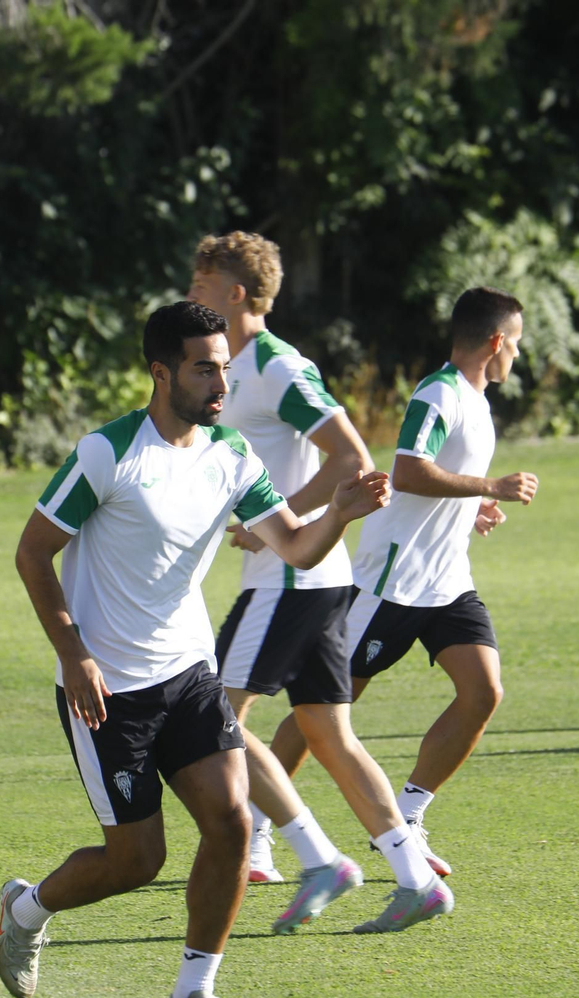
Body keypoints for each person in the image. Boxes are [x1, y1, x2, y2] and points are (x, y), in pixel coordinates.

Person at [0, 301, 390, 998]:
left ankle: (192, 994)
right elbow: (32, 553)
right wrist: (74, 652)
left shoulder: (233, 455)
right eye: (204, 367)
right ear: (161, 372)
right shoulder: (106, 453)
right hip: (108, 689)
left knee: (232, 824)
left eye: (224, 366)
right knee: (135, 862)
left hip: (187, 675)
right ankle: (26, 909)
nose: (221, 381)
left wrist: (339, 511)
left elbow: (296, 548)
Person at [189, 232, 448, 943]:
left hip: (291, 576)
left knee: (217, 718)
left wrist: (286, 520)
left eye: (202, 284)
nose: (191, 293)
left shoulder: (274, 366)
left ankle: (318, 859)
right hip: (315, 577)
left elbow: (352, 455)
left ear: (236, 293)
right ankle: (416, 880)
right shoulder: (232, 367)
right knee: (328, 734)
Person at [269, 285, 537, 933]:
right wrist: (490, 486)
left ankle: (410, 814)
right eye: (518, 343)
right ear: (496, 342)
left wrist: (471, 506)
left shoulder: (475, 400)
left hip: (446, 584)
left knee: (482, 690)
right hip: (389, 587)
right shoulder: (439, 393)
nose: (518, 356)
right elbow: (410, 469)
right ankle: (255, 822)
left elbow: (434, 480)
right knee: (320, 715)